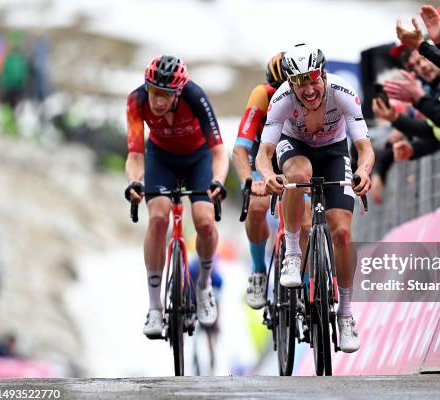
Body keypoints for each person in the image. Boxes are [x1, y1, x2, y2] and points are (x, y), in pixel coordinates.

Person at [256, 44, 374, 353]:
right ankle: (293, 254)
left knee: (343, 231)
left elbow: (364, 147)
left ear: (323, 74)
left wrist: (363, 170)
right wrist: (268, 175)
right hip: (295, 148)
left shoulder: (342, 91)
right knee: (299, 175)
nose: (308, 89)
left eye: (313, 79)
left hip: (334, 152)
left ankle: (346, 314)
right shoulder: (281, 99)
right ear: (291, 83)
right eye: (300, 82)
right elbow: (264, 153)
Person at [124, 55, 228, 338]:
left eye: (165, 95)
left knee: (205, 221)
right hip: (161, 158)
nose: (157, 100)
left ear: (178, 92)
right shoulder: (137, 101)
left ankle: (204, 285)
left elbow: (219, 151)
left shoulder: (194, 96)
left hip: (198, 158)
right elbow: (134, 154)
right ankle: (155, 307)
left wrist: (218, 179)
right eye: (154, 92)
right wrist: (134, 182)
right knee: (158, 217)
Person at [232, 52, 312, 310]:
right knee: (256, 206)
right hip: (263, 157)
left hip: (297, 157)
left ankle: (308, 282)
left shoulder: (310, 96)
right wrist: (248, 181)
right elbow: (241, 148)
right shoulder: (261, 95)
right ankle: (258, 270)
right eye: (277, 90)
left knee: (307, 219)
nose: (282, 97)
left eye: (289, 89)